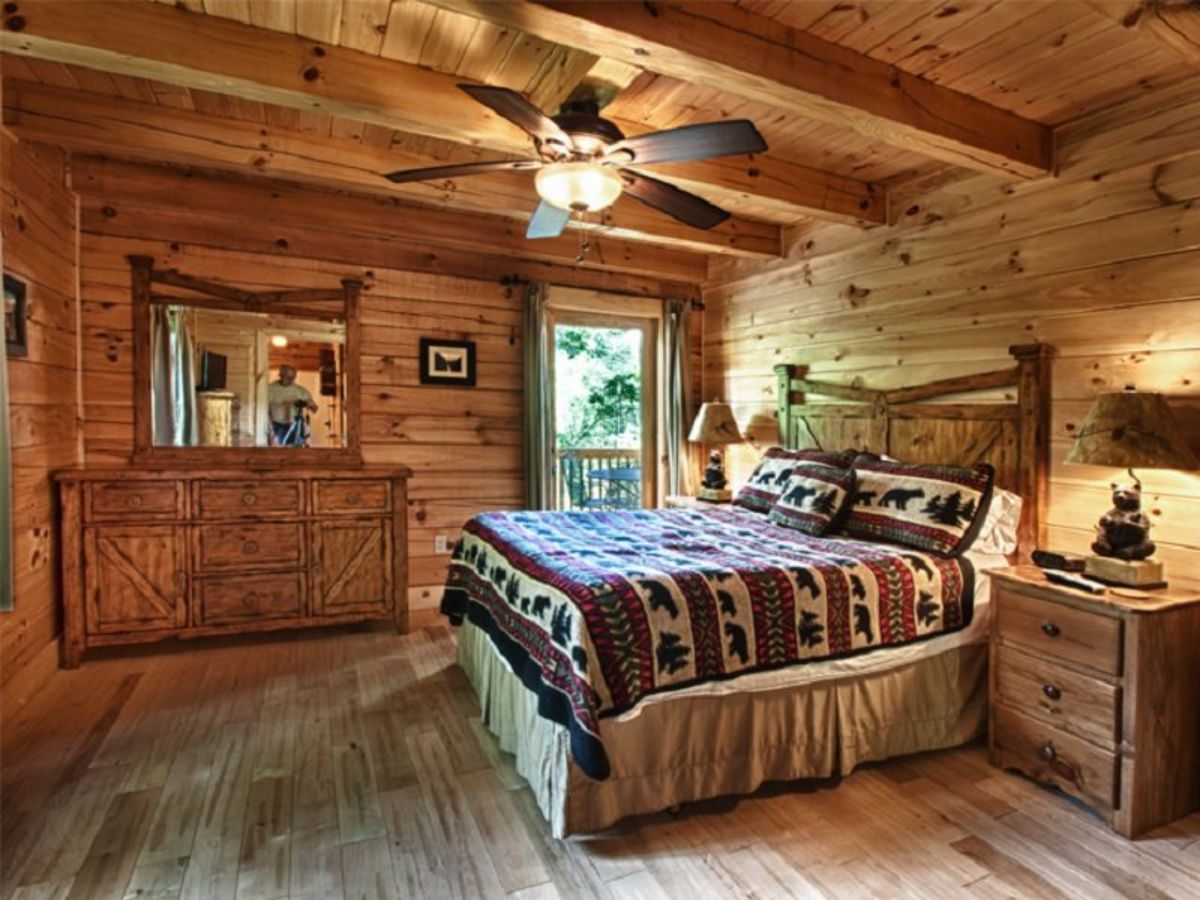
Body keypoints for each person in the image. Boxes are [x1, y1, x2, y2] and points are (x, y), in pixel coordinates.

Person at [267, 365, 317, 446]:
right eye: (288, 377)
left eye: (293, 378)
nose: (291, 380)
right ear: (281, 375)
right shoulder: (270, 389)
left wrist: (310, 404)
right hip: (277, 426)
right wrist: (270, 428)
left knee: (297, 449)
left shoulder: (300, 391)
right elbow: (264, 409)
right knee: (280, 451)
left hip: (295, 425)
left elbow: (315, 409)